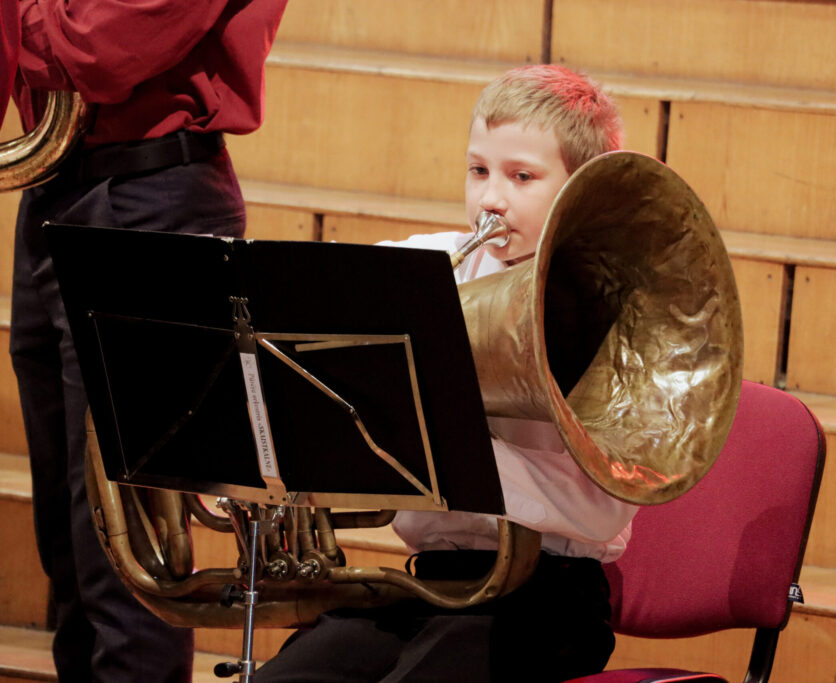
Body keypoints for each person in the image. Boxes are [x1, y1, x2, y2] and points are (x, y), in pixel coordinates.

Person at [253, 64, 636, 683]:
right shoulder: (429, 265)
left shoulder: (615, 311)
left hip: (550, 600)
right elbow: (305, 308)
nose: (491, 198)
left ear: (583, 188)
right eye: (478, 170)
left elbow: (602, 511)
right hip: (429, 585)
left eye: (522, 177)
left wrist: (448, 451)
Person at [7, 1, 286, 681]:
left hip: (151, 196)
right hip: (55, 187)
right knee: (70, 548)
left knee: (125, 566)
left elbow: (98, 47)